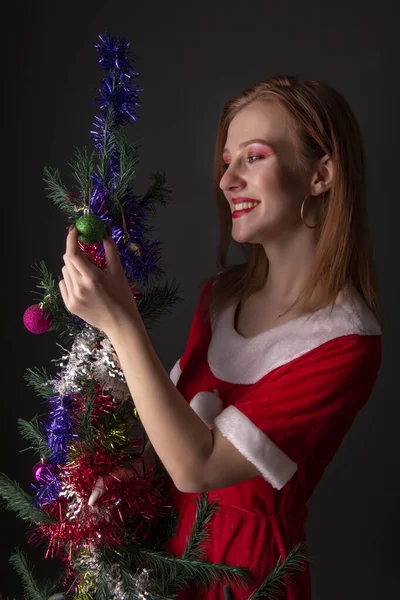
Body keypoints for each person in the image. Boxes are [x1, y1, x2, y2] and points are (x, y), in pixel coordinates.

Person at [60, 75, 383, 599]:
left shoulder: (344, 342)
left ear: (321, 174)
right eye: (227, 160)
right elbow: (180, 432)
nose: (227, 179)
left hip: (244, 577)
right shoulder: (221, 298)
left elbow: (199, 466)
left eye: (253, 158)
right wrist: (139, 470)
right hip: (164, 555)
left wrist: (120, 321)